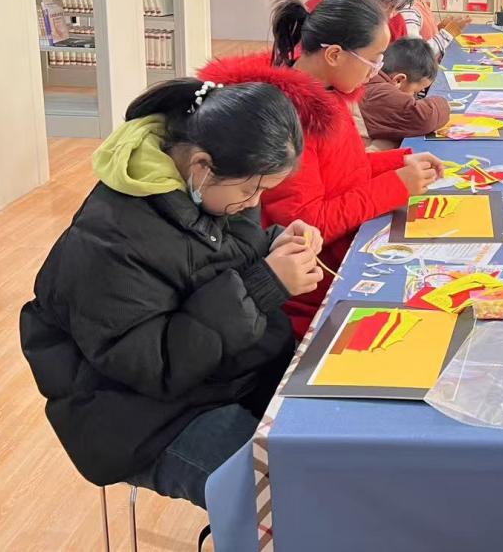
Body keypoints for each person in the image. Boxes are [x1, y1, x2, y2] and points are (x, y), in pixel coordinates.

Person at [20, 78, 319, 508]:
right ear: (201, 165)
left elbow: (219, 258)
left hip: (219, 377)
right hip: (139, 418)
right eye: (251, 189)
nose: (255, 201)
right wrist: (264, 285)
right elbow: (156, 364)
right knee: (291, 499)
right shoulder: (110, 239)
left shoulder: (210, 188)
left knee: (332, 442)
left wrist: (276, 246)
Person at [199, 0, 443, 337]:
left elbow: (344, 172)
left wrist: (399, 162)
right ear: (334, 55)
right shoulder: (290, 118)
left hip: (339, 260)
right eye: (373, 60)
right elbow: (308, 223)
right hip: (314, 290)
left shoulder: (327, 94)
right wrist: (396, 185)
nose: (376, 72)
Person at [359, 37, 451, 149]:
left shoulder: (375, 84)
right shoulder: (381, 94)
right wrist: (445, 104)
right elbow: (424, 118)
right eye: (415, 92)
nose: (415, 98)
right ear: (399, 80)